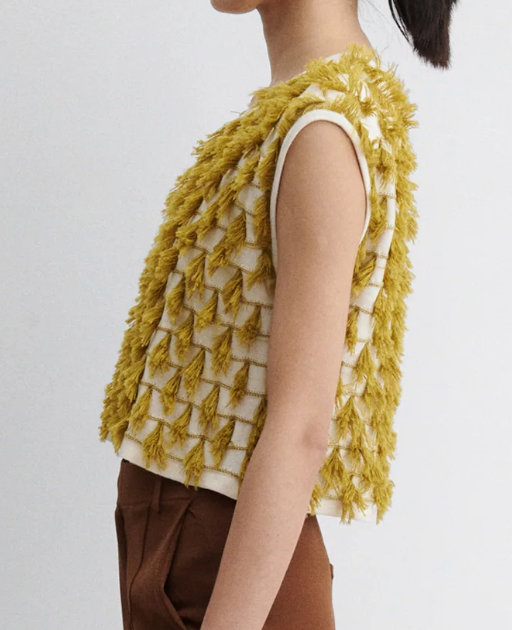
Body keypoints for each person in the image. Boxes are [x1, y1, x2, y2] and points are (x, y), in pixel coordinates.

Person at [99, 1, 458, 628]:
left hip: (225, 568)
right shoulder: (302, 115)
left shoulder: (325, 130)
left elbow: (301, 427)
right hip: (191, 546)